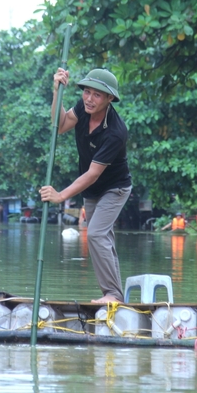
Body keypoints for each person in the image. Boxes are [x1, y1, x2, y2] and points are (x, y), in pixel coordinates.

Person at [39, 68, 132, 304]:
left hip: (115, 188)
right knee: (102, 238)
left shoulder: (116, 132)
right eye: (87, 92)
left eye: (97, 95)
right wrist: (56, 91)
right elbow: (59, 125)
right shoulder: (83, 108)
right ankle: (114, 295)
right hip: (91, 190)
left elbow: (92, 173)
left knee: (97, 234)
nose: (89, 99)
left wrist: (60, 196)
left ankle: (112, 295)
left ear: (110, 98)